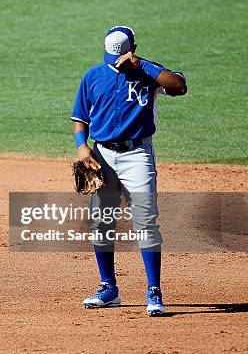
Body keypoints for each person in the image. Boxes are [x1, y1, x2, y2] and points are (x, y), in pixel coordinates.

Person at [70, 26, 187, 316]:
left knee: (145, 222)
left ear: (133, 49)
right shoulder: (93, 75)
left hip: (137, 154)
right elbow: (80, 118)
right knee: (101, 222)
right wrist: (82, 147)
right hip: (102, 155)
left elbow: (179, 86)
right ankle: (108, 288)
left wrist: (142, 64)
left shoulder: (149, 73)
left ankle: (154, 292)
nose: (115, 63)